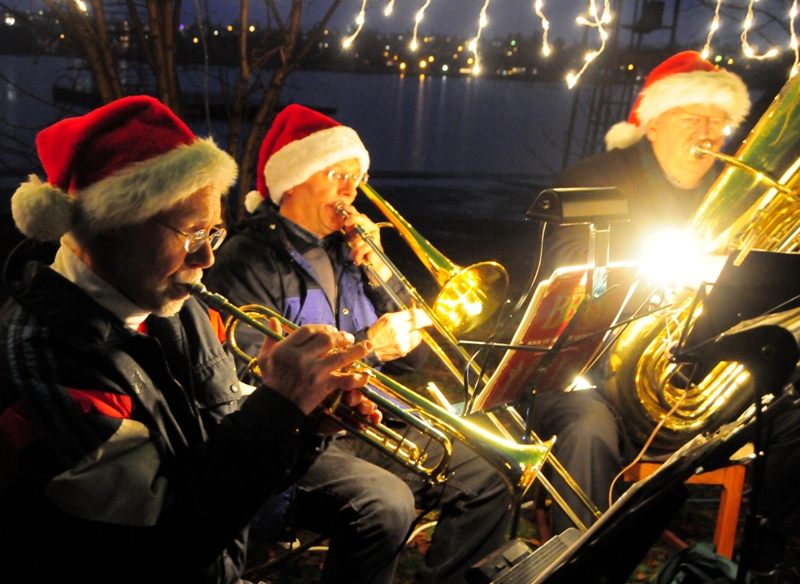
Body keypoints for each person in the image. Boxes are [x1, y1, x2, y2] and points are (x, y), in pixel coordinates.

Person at [0, 96, 379, 584]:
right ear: (110, 226)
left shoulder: (182, 308)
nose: (207, 260)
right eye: (192, 232)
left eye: (215, 232)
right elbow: (162, 541)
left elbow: (228, 480)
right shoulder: (47, 363)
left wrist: (305, 424)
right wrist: (280, 409)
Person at [204, 104, 513, 584]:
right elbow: (246, 375)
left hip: (364, 428)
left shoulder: (351, 252)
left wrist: (381, 267)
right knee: (387, 504)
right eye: (336, 174)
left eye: (356, 176)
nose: (351, 190)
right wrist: (369, 347)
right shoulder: (248, 261)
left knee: (486, 474)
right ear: (294, 180)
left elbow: (426, 354)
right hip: (296, 445)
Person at [529, 51, 752, 535]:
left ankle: (768, 556)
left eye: (718, 121)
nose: (708, 134)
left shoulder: (738, 193)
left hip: (698, 379)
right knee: (588, 431)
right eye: (692, 117)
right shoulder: (593, 179)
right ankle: (574, 564)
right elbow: (572, 274)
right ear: (652, 124)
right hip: (594, 372)